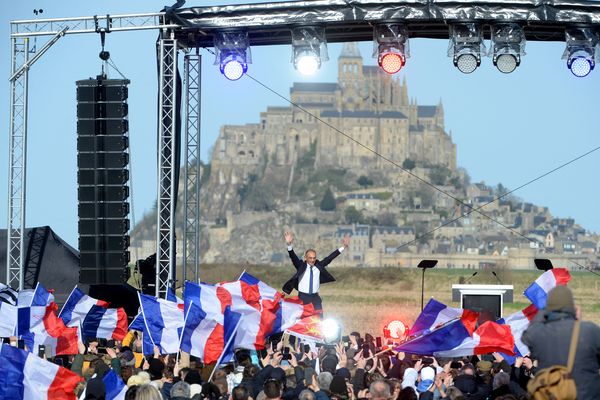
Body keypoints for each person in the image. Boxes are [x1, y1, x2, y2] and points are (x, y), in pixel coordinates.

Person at [521, 285, 600, 400]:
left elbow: (526, 336)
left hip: (551, 395)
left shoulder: (539, 333)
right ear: (572, 307)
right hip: (587, 395)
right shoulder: (590, 330)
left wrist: (544, 310)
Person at [282, 231, 350, 310]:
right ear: (305, 258)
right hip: (303, 297)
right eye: (310, 258)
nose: (312, 260)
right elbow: (293, 256)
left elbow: (330, 257)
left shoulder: (319, 265)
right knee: (304, 320)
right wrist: (289, 245)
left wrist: (343, 247)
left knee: (319, 319)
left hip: (315, 298)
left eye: (314, 258)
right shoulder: (300, 266)